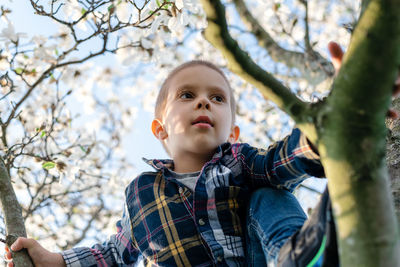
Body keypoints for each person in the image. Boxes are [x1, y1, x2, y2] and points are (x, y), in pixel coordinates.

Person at [4, 47, 347, 267]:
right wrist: (54, 260)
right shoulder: (142, 192)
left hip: (265, 258)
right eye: (187, 95)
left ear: (232, 133)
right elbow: (114, 253)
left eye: (217, 98)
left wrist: (326, 130)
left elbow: (281, 162)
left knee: (270, 194)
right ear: (161, 129)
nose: (204, 102)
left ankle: (307, 257)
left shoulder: (241, 161)